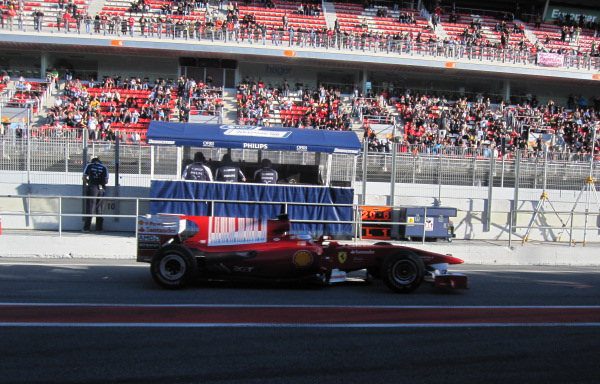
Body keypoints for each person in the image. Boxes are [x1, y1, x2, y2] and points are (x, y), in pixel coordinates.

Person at [82, 156, 109, 232]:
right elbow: (106, 181)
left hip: (92, 187)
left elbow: (84, 177)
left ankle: (87, 228)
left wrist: (89, 183)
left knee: (90, 208)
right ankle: (99, 228)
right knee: (99, 208)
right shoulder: (104, 167)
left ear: (92, 161)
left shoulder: (89, 165)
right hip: (102, 189)